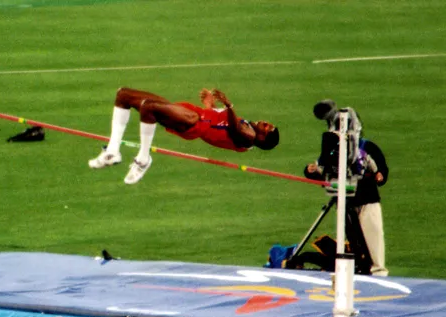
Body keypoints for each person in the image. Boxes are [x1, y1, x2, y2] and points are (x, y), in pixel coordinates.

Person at [88, 87, 280, 184]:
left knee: (148, 107)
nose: (267, 124)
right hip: (194, 112)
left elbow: (232, 130)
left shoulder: (248, 138)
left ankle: (143, 159)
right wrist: (210, 105)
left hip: (194, 123)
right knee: (123, 95)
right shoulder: (245, 124)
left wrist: (229, 106)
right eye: (270, 124)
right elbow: (218, 124)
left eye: (268, 129)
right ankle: (113, 151)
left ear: (263, 139)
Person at [304, 99, 389, 276]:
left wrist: (379, 174)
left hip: (367, 200)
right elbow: (324, 168)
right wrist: (311, 170)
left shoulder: (366, 146)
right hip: (345, 200)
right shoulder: (334, 148)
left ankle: (379, 275)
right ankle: (361, 270)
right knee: (355, 242)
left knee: (374, 240)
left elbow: (381, 168)